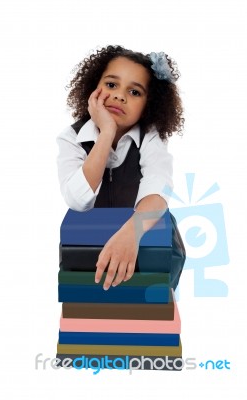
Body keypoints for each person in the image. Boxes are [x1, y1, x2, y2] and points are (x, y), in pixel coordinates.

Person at [56, 45, 184, 291]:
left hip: (148, 238)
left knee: (149, 309)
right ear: (94, 88)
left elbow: (158, 191)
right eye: (112, 85)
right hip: (90, 244)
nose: (120, 96)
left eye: (135, 91)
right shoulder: (71, 138)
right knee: (93, 308)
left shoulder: (150, 138)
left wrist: (132, 233)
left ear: (150, 104)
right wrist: (106, 133)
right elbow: (77, 199)